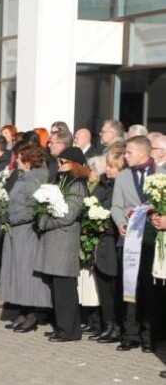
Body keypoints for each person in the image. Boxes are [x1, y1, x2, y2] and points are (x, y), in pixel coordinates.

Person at [112, 136, 165, 352]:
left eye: (129, 152)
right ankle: (130, 333)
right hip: (130, 240)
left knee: (151, 289)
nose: (125, 156)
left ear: (143, 153)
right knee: (130, 287)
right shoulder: (123, 176)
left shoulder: (161, 175)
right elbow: (116, 205)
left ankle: (149, 334)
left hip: (153, 240)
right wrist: (120, 223)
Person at [35, 146, 87, 342]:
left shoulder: (77, 184)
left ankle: (69, 331)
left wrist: (44, 222)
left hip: (64, 241)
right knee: (57, 288)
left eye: (62, 162)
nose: (58, 165)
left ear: (73, 163)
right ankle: (62, 326)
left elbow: (68, 215)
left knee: (65, 289)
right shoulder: (61, 180)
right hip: (54, 241)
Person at [1, 146, 52, 332]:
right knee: (18, 272)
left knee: (26, 273)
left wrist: (12, 217)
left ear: (29, 162)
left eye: (20, 159)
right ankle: (23, 311)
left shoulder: (34, 180)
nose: (16, 161)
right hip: (16, 232)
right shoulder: (25, 177)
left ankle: (31, 315)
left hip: (26, 233)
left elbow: (33, 209)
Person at [86, 146, 124, 343]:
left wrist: (104, 225)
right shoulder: (104, 185)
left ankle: (116, 326)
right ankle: (107, 324)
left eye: (111, 166)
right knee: (103, 287)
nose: (107, 170)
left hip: (110, 241)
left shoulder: (119, 187)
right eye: (107, 166)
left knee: (112, 287)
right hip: (99, 243)